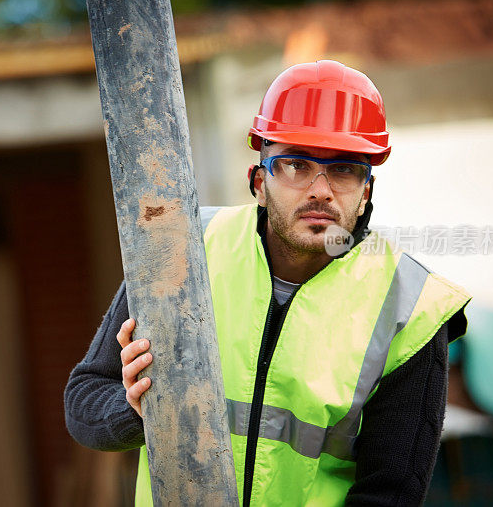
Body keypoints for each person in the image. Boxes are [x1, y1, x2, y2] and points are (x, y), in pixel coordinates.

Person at [64, 60, 471, 506]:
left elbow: (390, 494)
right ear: (259, 182)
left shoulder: (412, 308)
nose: (320, 189)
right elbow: (85, 401)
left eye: (344, 169)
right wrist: (139, 409)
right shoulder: (181, 251)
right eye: (296, 164)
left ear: (366, 191)